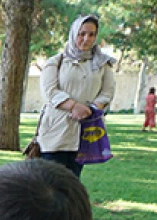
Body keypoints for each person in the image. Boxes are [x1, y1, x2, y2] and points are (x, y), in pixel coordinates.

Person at [37, 14, 116, 178]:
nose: (86, 39)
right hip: (55, 133)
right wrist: (74, 106)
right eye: (82, 34)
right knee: (48, 184)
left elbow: (107, 92)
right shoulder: (56, 62)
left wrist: (91, 109)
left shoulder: (103, 64)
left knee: (72, 184)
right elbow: (50, 91)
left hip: (84, 132)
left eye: (91, 34)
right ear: (74, 34)